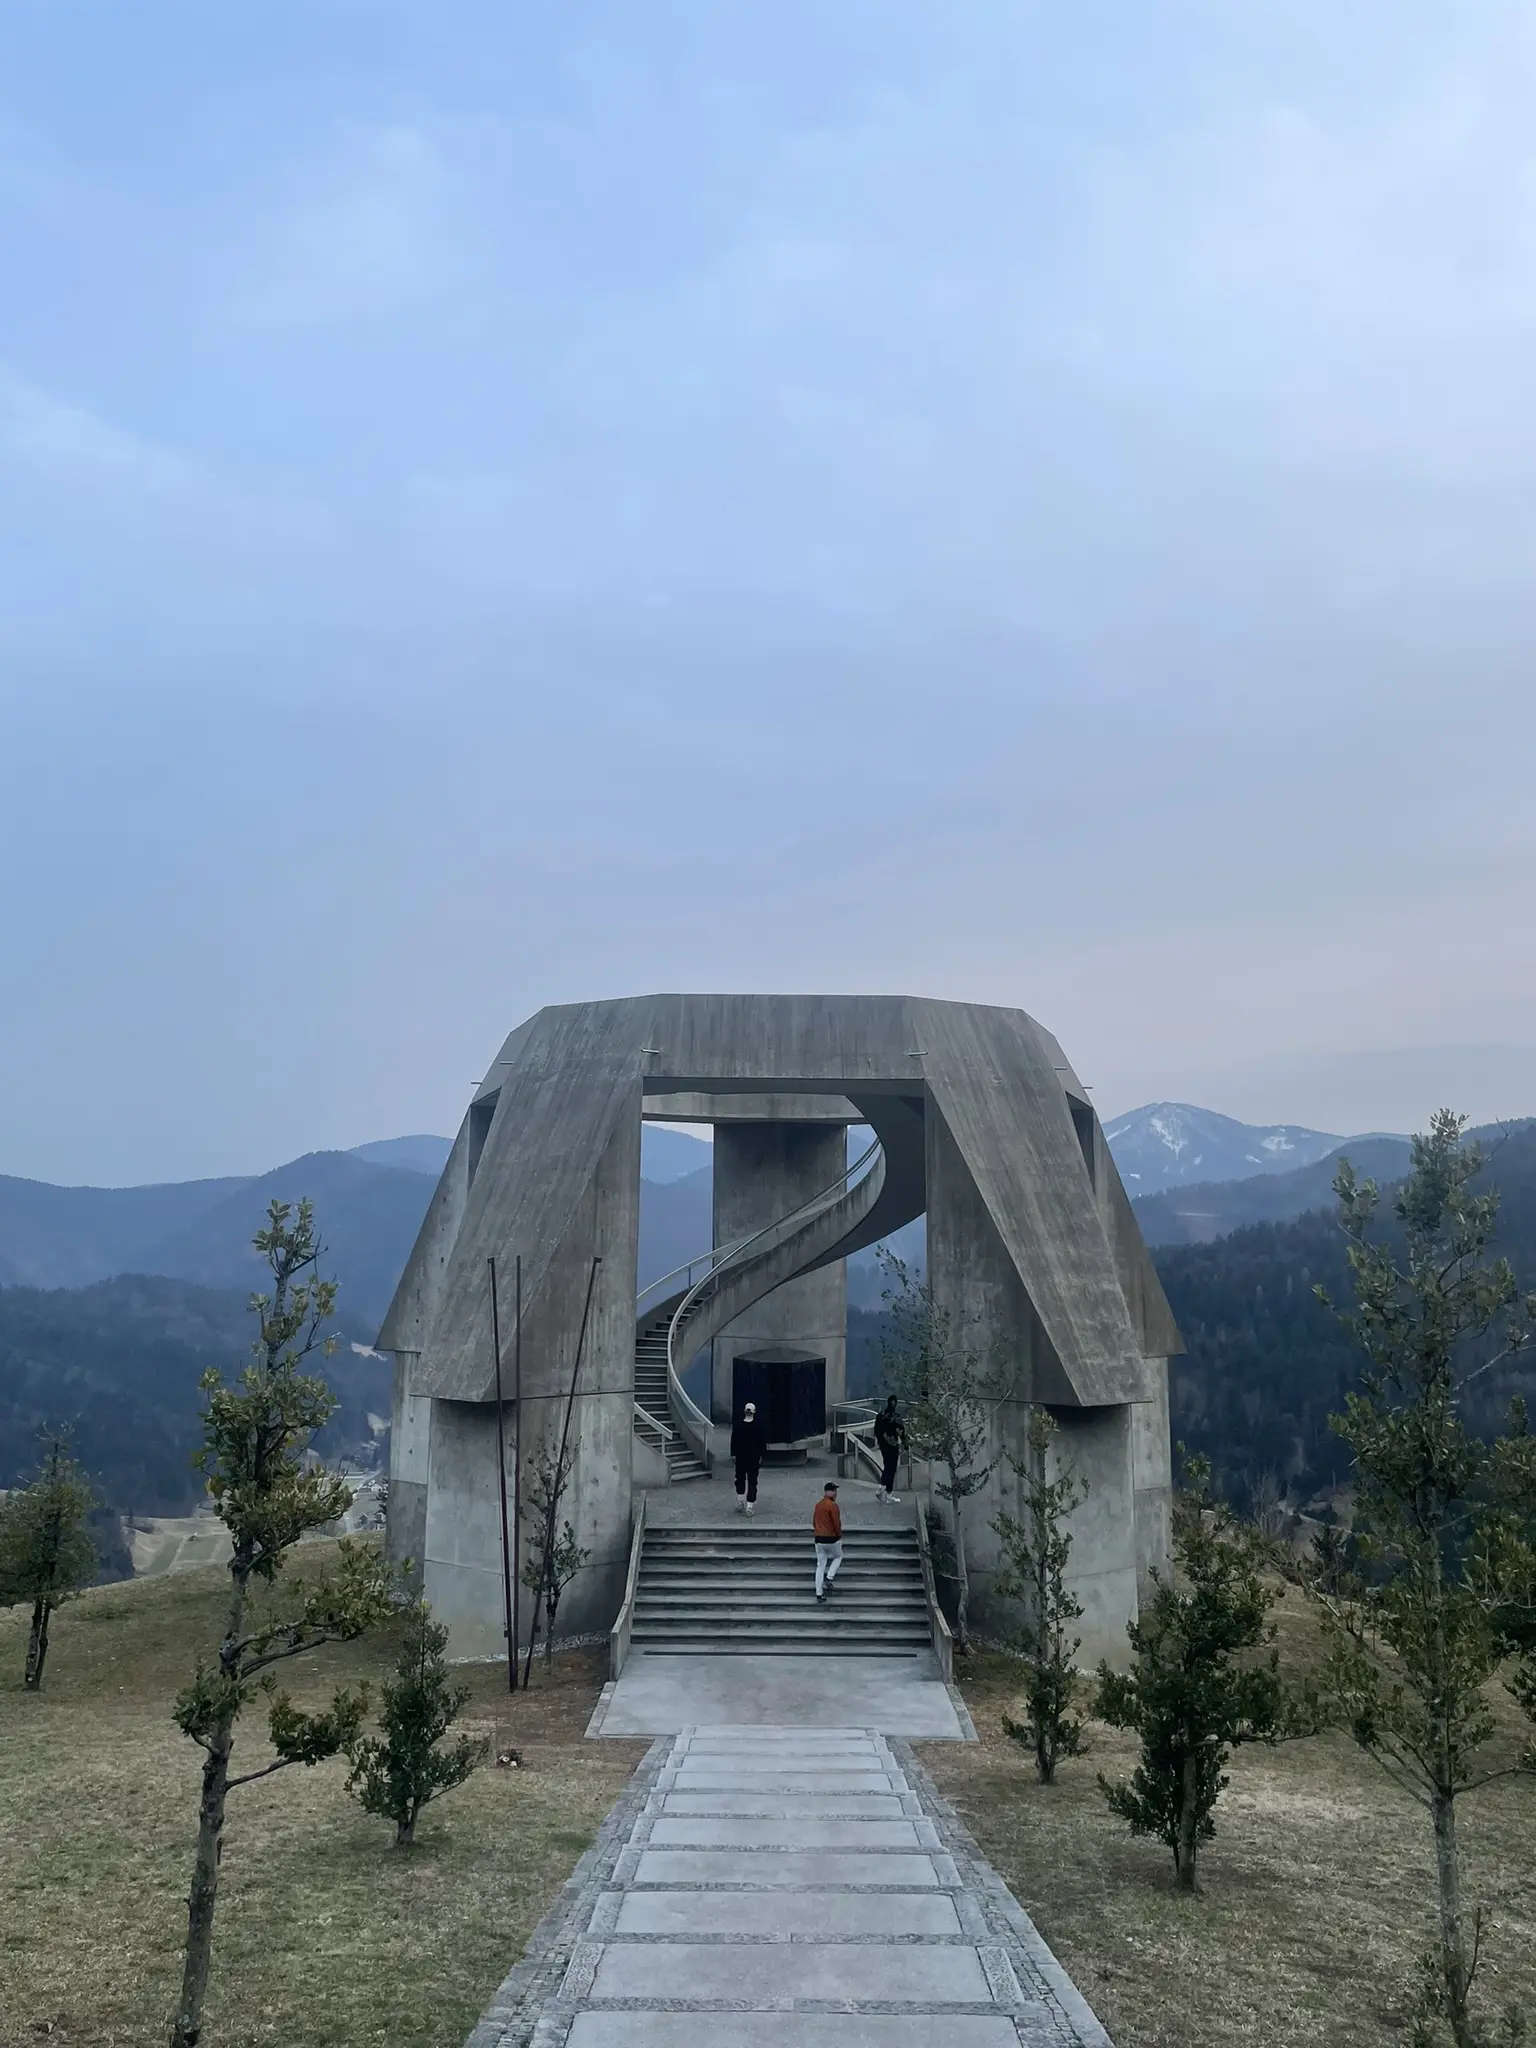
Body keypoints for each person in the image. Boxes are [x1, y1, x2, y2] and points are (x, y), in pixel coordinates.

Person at [731, 1400, 766, 1514]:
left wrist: (734, 1454)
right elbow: (761, 1442)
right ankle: (749, 1506)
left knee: (740, 1479)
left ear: (744, 1411)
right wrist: (762, 1455)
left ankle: (740, 1501)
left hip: (741, 1457)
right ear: (754, 1412)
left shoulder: (738, 1426)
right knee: (752, 1481)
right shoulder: (758, 1427)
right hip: (753, 1458)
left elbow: (734, 1442)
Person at [813, 1481, 843, 1602]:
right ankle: (830, 1577)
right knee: (838, 1556)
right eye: (833, 1490)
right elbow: (836, 1523)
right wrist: (839, 1535)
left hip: (819, 1539)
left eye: (835, 1490)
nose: (835, 1492)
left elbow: (814, 1522)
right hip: (831, 1538)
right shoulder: (833, 1506)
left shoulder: (818, 1505)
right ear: (827, 1492)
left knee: (820, 1565)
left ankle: (819, 1593)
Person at [874, 1395, 905, 1504]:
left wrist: (880, 1441)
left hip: (883, 1445)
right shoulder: (896, 1417)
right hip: (893, 1445)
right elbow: (901, 1432)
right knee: (891, 1468)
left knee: (887, 1466)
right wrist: (905, 1444)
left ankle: (882, 1488)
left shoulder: (881, 1415)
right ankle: (887, 1492)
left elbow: (877, 1431)